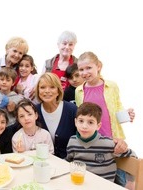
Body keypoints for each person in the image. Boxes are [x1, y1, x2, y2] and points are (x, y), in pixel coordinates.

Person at [75, 51, 136, 188]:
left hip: (112, 138)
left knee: (118, 175)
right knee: (98, 175)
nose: (85, 72)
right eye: (81, 69)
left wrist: (126, 115)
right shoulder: (79, 90)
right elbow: (81, 116)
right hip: (92, 140)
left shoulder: (111, 86)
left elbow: (116, 106)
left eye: (88, 68)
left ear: (99, 66)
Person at [66, 102, 136, 182]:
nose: (84, 126)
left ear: (98, 126)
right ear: (75, 122)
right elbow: (69, 162)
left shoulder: (108, 144)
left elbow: (133, 157)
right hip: (80, 185)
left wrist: (131, 180)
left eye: (90, 122)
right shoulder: (72, 141)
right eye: (81, 121)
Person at [35, 72, 77, 159]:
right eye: (42, 87)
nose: (47, 91)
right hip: (42, 163)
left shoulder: (72, 110)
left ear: (58, 91)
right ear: (38, 91)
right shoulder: (34, 111)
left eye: (52, 87)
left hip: (69, 163)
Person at [0, 36, 29, 113]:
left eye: (20, 53)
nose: (17, 55)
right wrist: (6, 101)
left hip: (12, 108)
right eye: (15, 51)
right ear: (7, 50)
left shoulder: (20, 68)